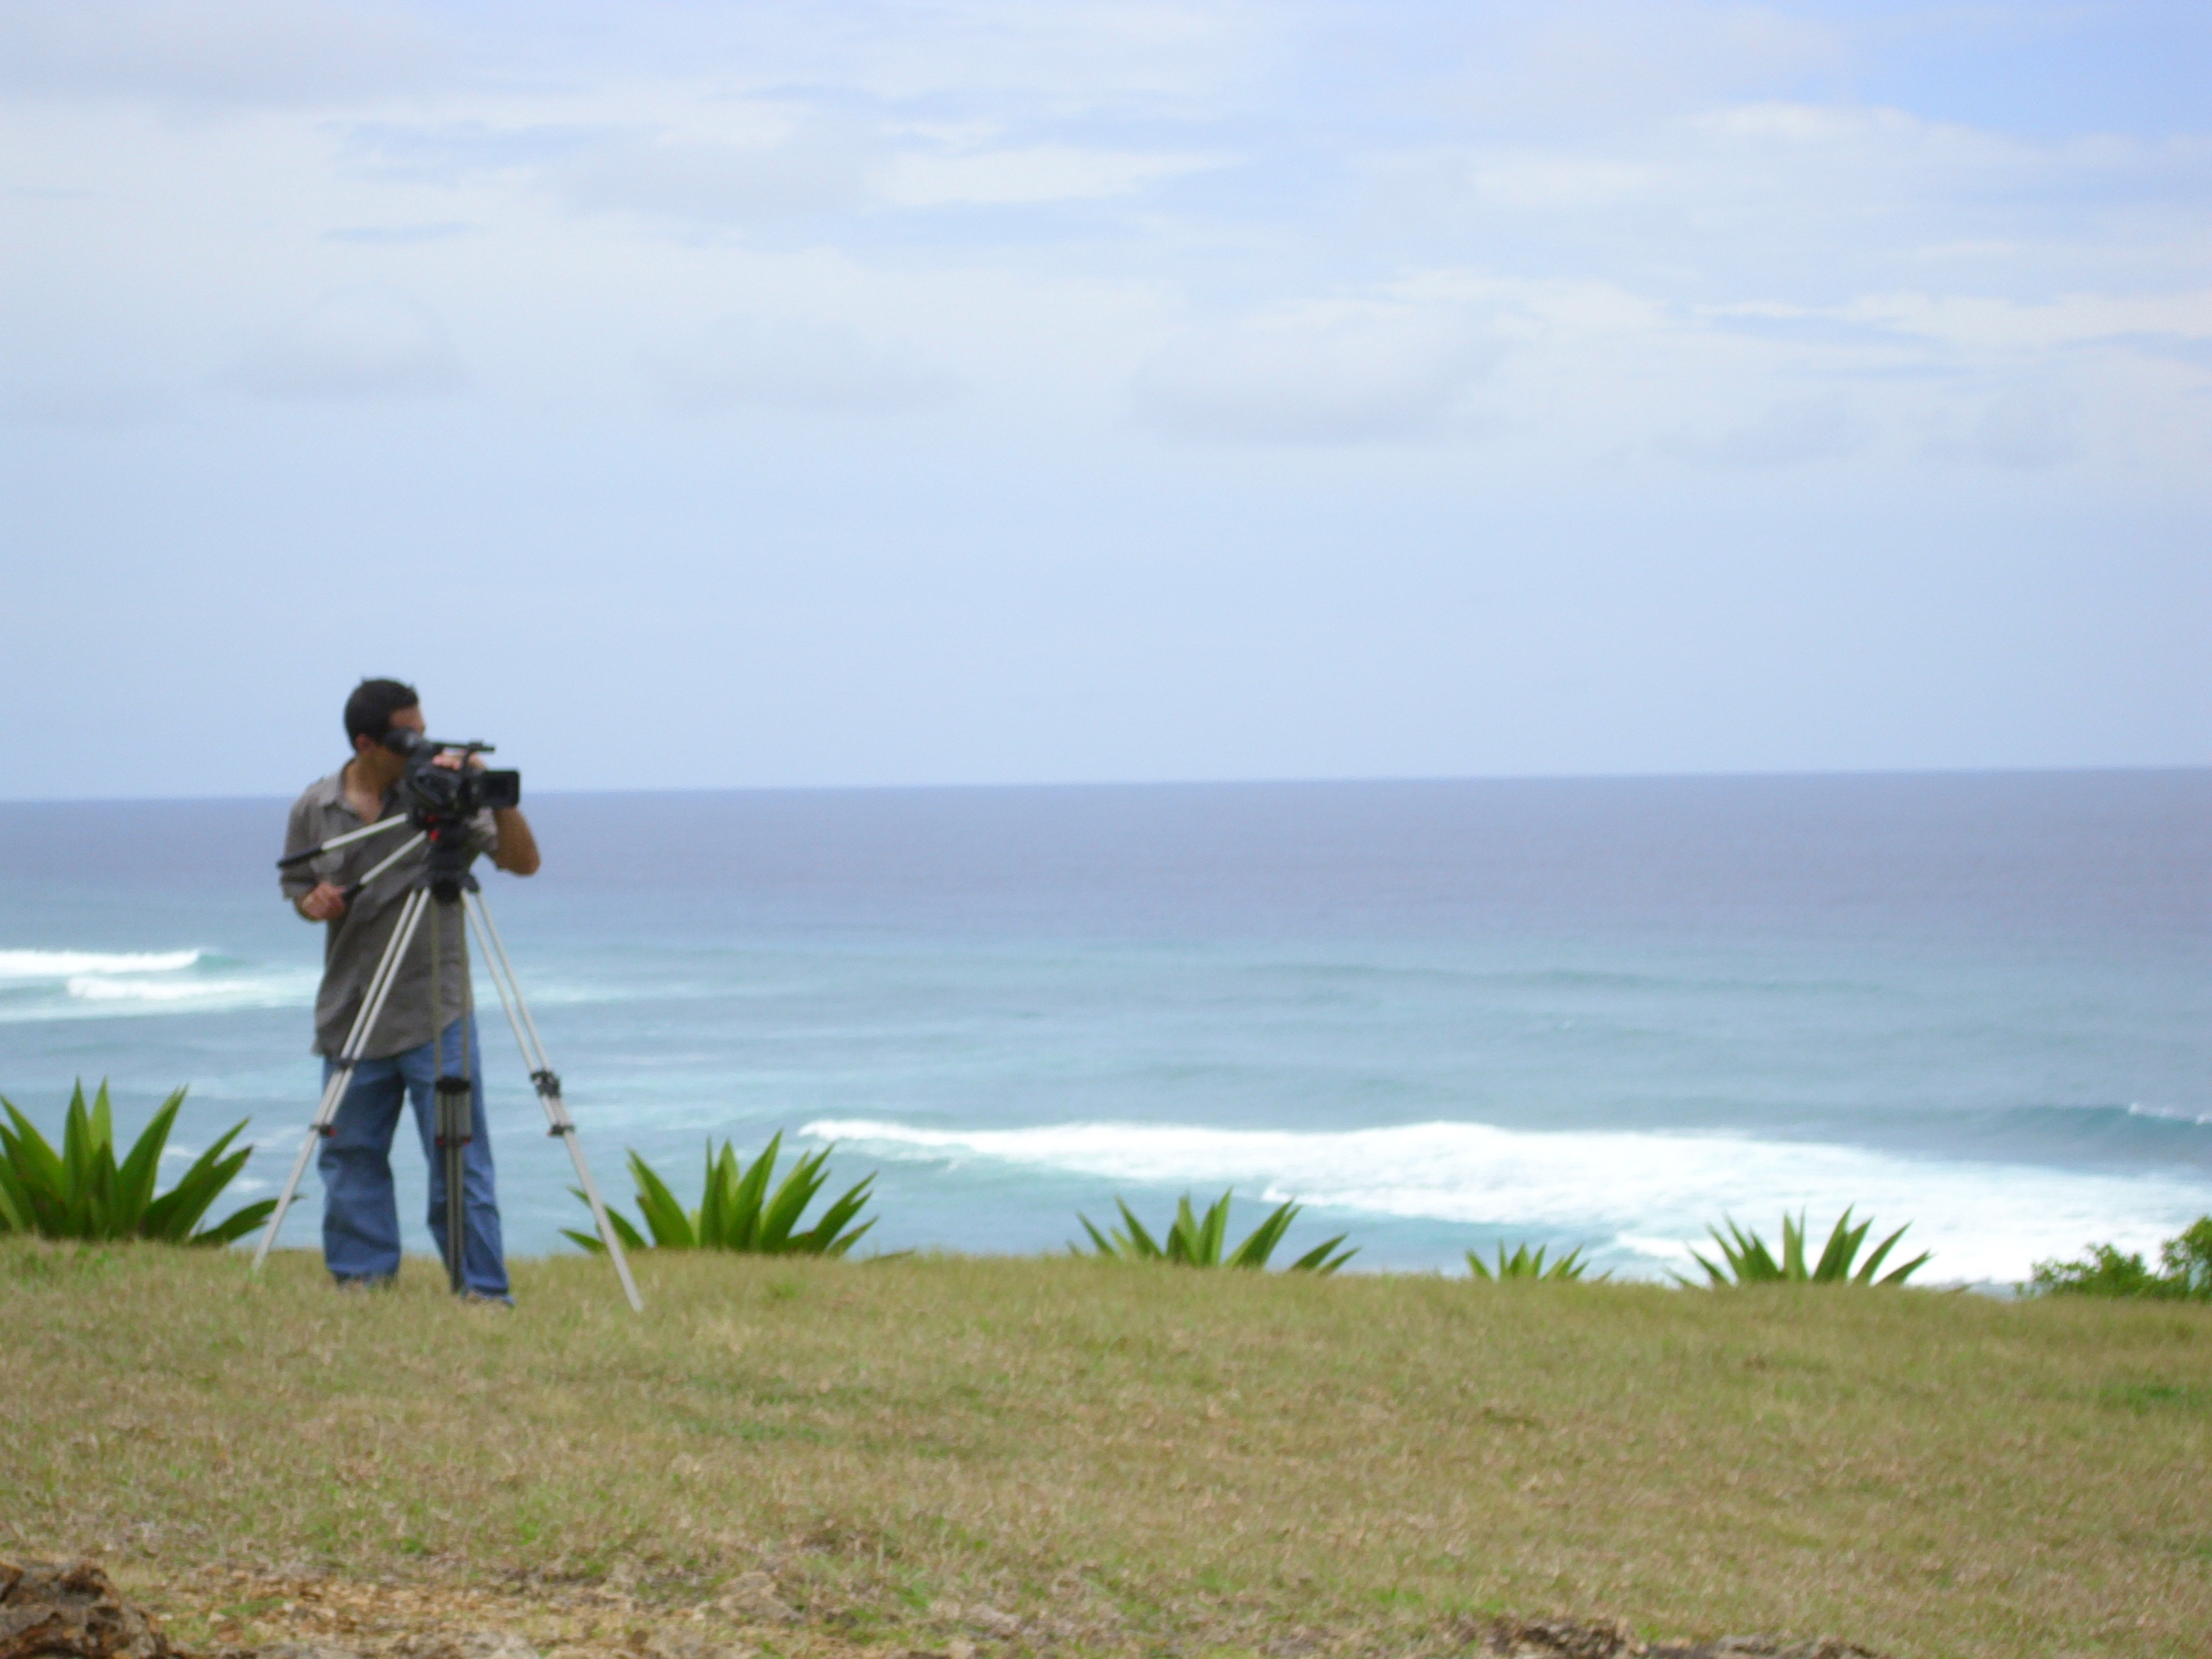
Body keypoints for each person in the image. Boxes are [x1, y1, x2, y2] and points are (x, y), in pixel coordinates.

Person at [279, 679, 541, 1299]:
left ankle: (481, 1291)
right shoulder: (315, 809)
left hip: (434, 1010)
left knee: (458, 1159)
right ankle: (362, 1285)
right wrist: (313, 905)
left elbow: (524, 861)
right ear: (367, 743)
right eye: (408, 736)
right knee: (350, 1158)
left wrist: (492, 793)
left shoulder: (441, 798)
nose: (421, 745)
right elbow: (298, 890)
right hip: (352, 1010)